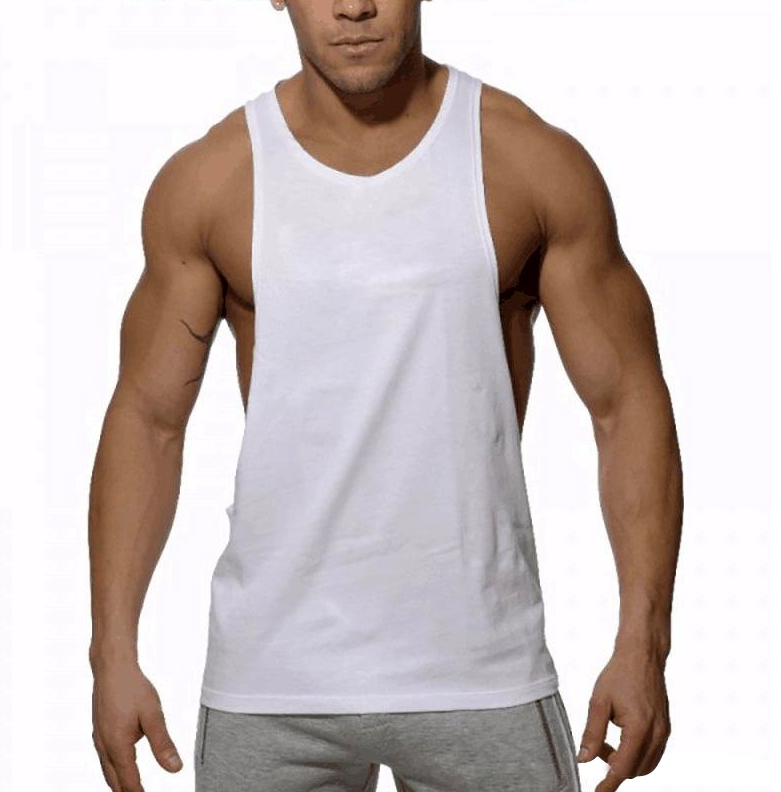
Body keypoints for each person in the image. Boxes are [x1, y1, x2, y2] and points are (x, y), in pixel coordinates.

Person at [88, 1, 683, 791]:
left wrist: (644, 645)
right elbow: (148, 420)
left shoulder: (526, 162)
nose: (354, 5)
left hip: (481, 674)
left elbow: (627, 403)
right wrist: (112, 654)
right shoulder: (212, 181)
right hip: (272, 682)